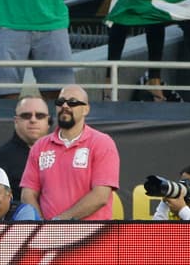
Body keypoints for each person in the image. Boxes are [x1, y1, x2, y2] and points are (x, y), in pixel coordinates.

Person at [20, 86, 121, 221]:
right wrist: (41, 226)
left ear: (86, 109)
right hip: (50, 238)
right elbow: (28, 193)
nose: (65, 106)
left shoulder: (102, 143)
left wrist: (60, 221)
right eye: (61, 102)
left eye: (72, 102)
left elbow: (101, 196)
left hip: (93, 237)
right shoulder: (40, 146)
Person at [0, 95, 51, 200]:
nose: (33, 120)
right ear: (16, 121)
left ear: (48, 121)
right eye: (26, 115)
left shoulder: (63, 154)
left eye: (40, 116)